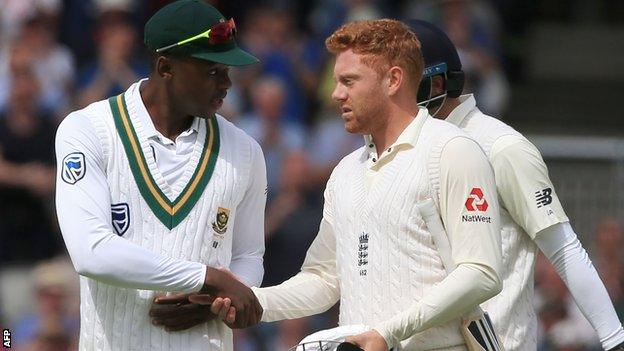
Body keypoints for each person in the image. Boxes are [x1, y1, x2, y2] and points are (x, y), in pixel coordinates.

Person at [54, 1, 266, 350]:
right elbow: (91, 251)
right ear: (166, 67)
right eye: (213, 71)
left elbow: (247, 256)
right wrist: (206, 279)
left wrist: (217, 304)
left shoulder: (245, 150)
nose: (227, 83)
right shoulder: (87, 130)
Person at [407, 19, 624, 351]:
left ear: (435, 86)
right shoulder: (403, 156)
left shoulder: (501, 147)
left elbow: (564, 249)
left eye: (397, 83)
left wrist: (614, 340)